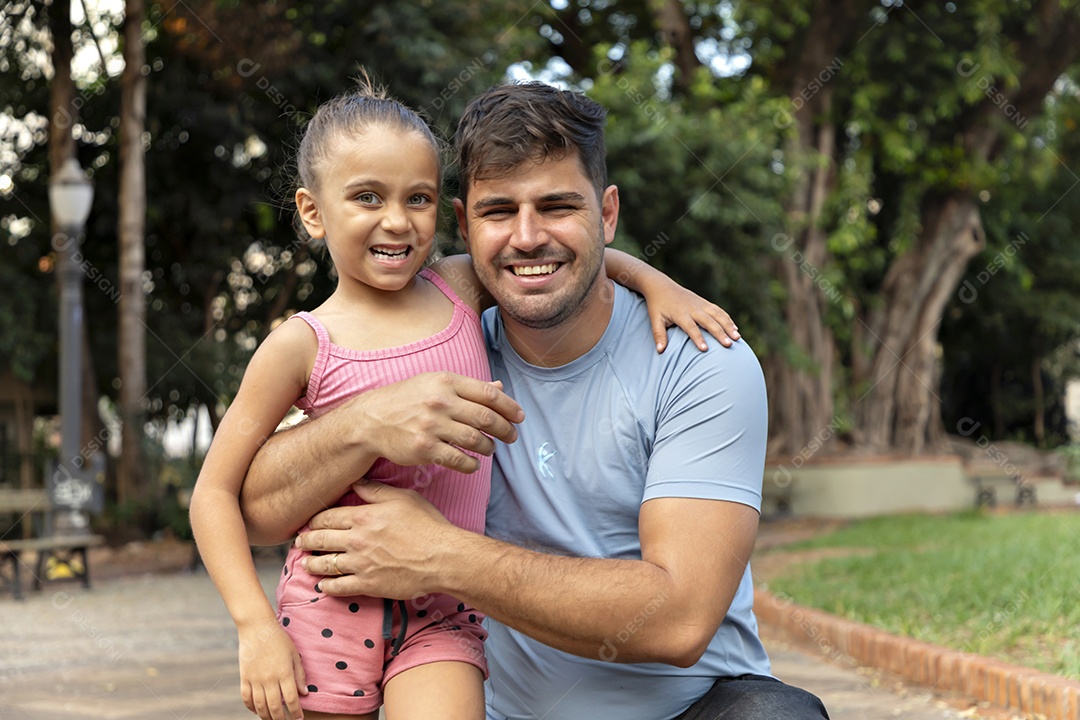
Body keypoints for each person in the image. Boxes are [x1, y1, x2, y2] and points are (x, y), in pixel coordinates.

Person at [239, 82, 830, 720]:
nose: (526, 237)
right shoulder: (439, 343)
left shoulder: (699, 361)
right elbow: (256, 513)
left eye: (557, 206)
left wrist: (440, 555)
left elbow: (680, 621)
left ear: (606, 213)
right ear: (464, 226)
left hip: (691, 709)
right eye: (498, 211)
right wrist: (361, 423)